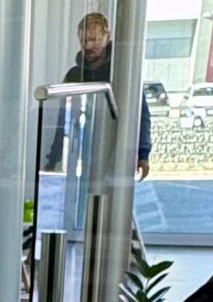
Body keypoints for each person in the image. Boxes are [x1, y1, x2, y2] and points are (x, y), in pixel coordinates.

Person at [63, 12, 151, 178]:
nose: (88, 45)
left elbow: (141, 113)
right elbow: (62, 116)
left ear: (107, 37)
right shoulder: (74, 75)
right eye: (83, 40)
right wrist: (53, 157)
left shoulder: (121, 73)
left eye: (94, 39)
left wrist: (143, 153)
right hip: (80, 153)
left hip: (116, 151)